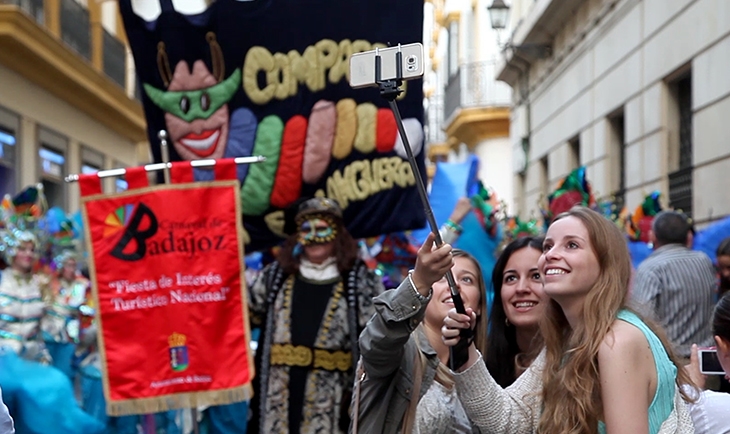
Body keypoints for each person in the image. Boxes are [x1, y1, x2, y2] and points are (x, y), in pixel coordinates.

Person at [443, 206, 696, 433]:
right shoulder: (569, 338)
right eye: (548, 246)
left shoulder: (618, 341)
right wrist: (465, 352)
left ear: (606, 263)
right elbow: (506, 421)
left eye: (571, 245)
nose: (551, 254)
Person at [248, 197, 385, 433]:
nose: (313, 237)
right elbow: (246, 315)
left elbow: (379, 336)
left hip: (332, 396)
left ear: (338, 234)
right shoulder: (275, 277)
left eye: (322, 229)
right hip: (279, 394)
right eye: (305, 229)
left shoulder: (361, 281)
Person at [353, 234, 488, 434]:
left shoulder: (483, 372)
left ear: (478, 306)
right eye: (442, 278)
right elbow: (375, 343)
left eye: (467, 279)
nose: (455, 285)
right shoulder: (400, 351)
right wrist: (418, 281)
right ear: (425, 295)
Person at [0, 232, 104, 434]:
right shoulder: (1, 280)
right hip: (2, 359)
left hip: (30, 360)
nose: (28, 254)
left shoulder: (42, 285)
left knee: (57, 387)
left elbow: (49, 323)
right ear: (12, 252)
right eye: (22, 249)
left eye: (31, 249)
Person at [633, 211, 716, 360]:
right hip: (707, 362)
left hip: (671, 364)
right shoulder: (705, 261)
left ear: (653, 236)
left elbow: (642, 319)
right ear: (689, 237)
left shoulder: (650, 268)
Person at [485, 236, 547, 387]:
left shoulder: (579, 361)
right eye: (511, 278)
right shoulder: (483, 367)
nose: (521, 288)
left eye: (536, 276)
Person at [41, 250, 90, 378]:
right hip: (50, 332)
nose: (72, 269)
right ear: (62, 267)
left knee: (65, 372)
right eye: (68, 265)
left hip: (69, 334)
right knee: (46, 370)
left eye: (74, 265)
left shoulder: (81, 285)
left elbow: (78, 305)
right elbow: (45, 305)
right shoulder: (51, 284)